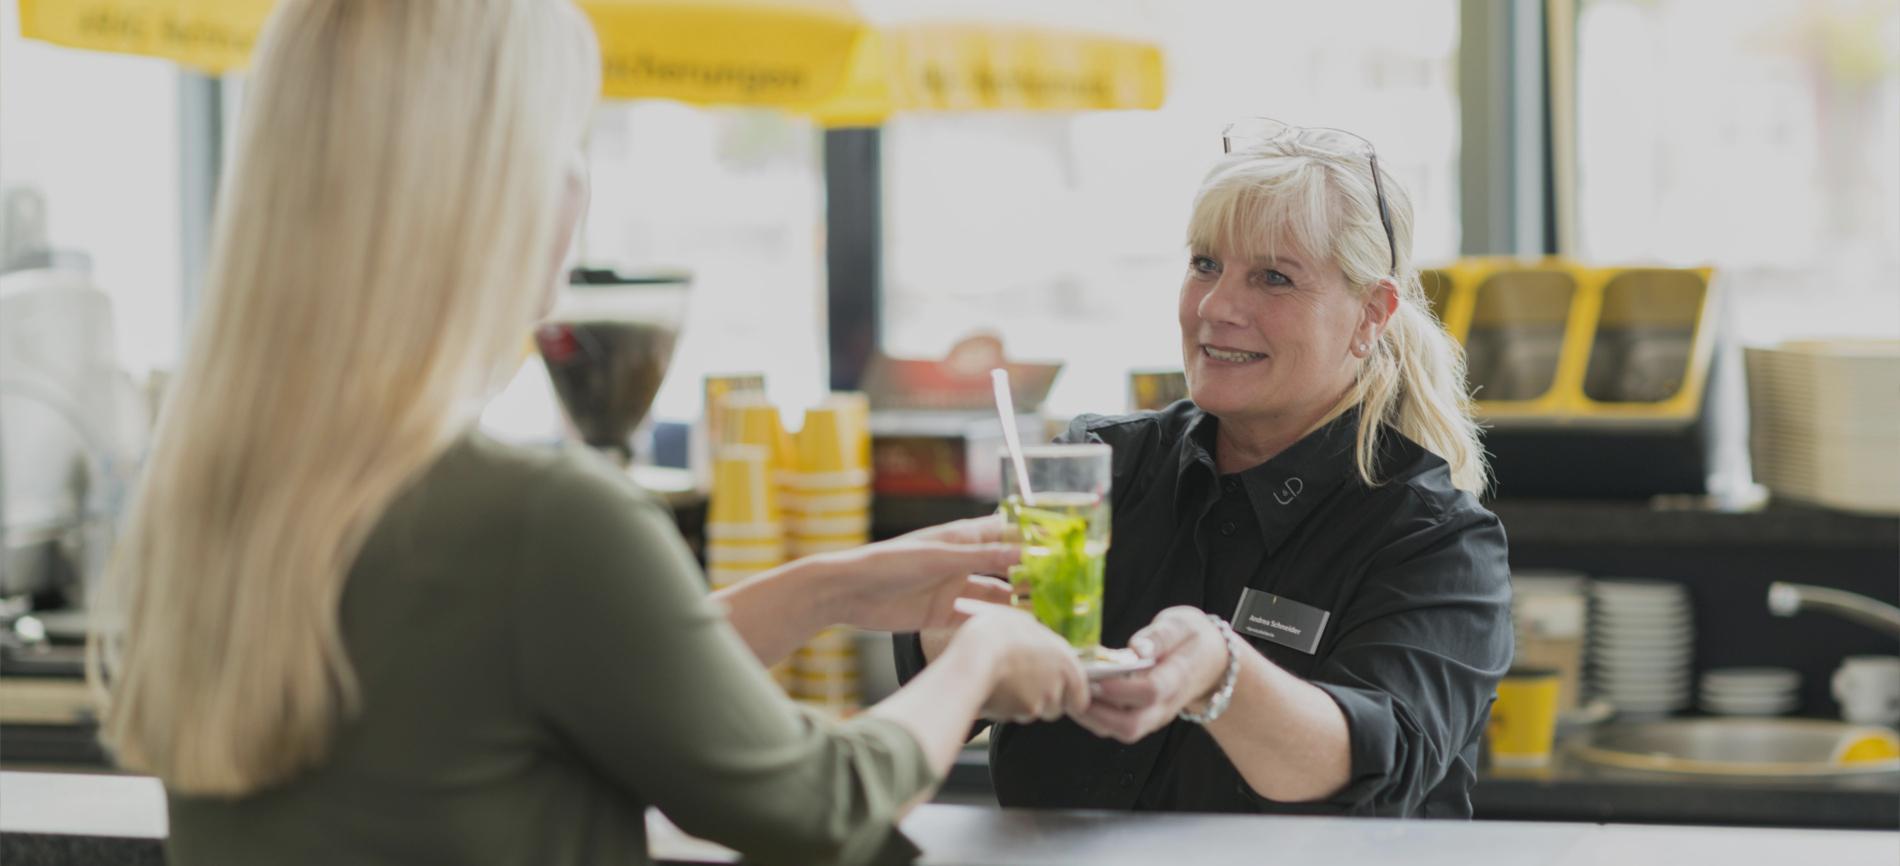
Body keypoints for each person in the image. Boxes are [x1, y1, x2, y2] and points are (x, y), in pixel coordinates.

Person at [88, 3, 1087, 865]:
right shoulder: (538, 522)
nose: (579, 187)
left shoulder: (208, 494)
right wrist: (980, 658)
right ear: (488, 190)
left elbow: (567, 675)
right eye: (568, 141)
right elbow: (815, 807)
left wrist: (826, 585)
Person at [897, 118, 1513, 818]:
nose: (1218, 308)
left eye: (1274, 277)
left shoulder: (1435, 541)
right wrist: (966, 630)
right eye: (1205, 264)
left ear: (1371, 313)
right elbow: (946, 672)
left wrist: (1220, 671)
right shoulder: (1101, 467)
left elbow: (1373, 763)